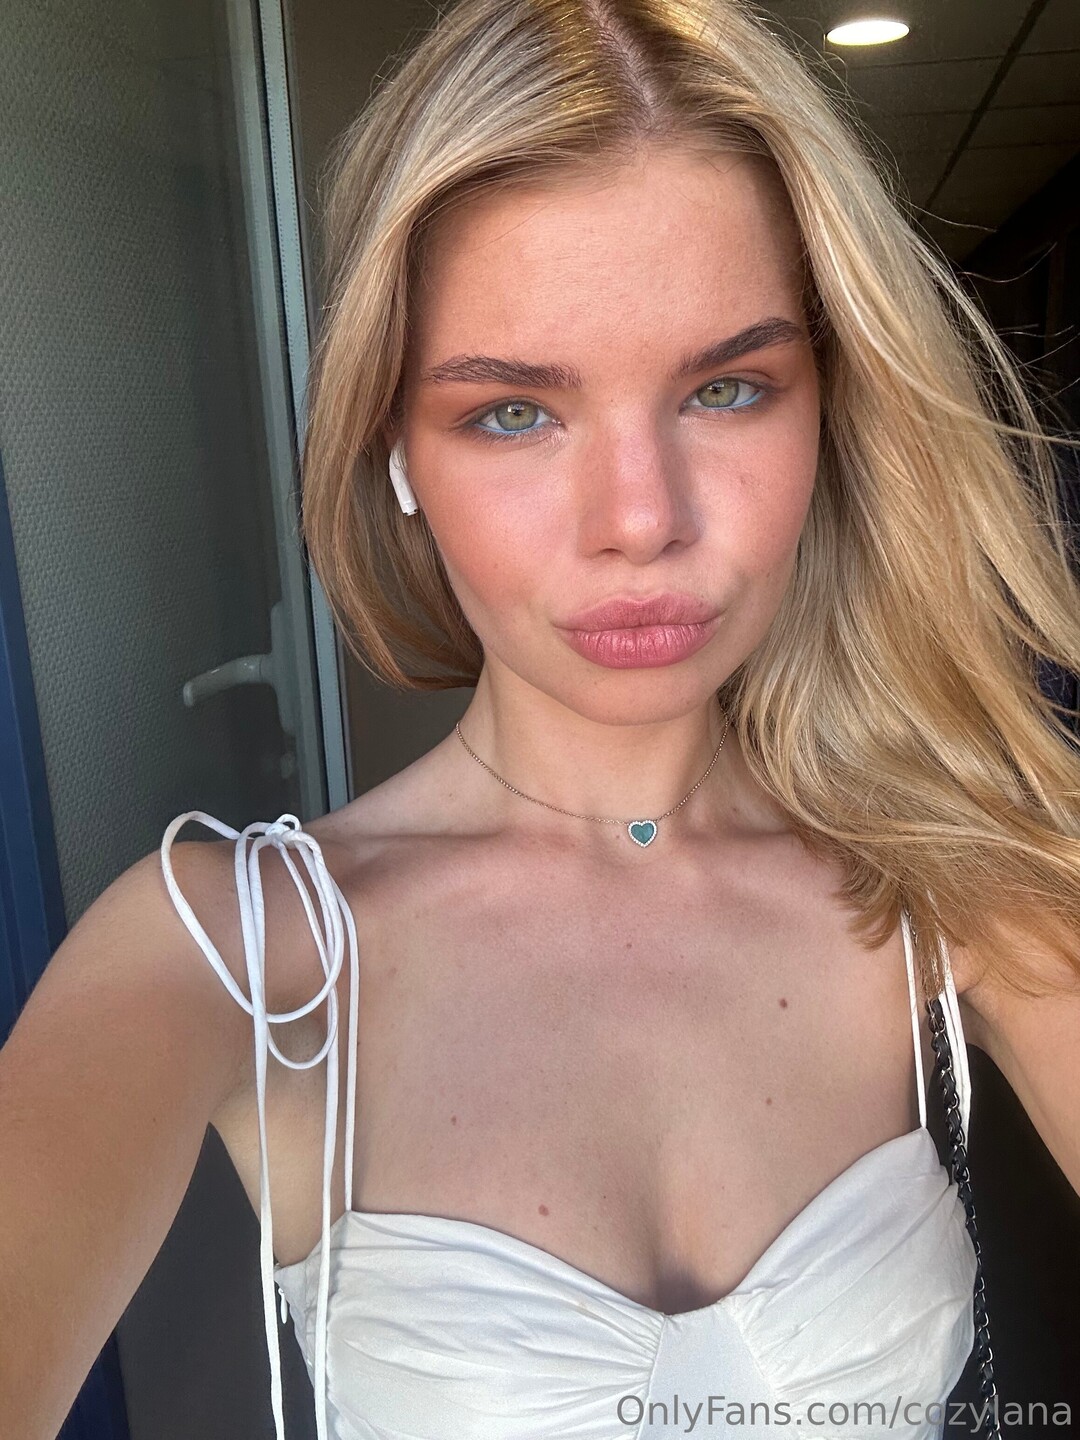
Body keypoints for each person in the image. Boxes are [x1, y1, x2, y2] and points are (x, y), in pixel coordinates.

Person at [3, 1, 1079, 1437]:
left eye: (728, 388)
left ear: (831, 415)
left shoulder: (955, 885)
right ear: (394, 447)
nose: (640, 519)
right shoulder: (235, 957)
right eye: (514, 412)